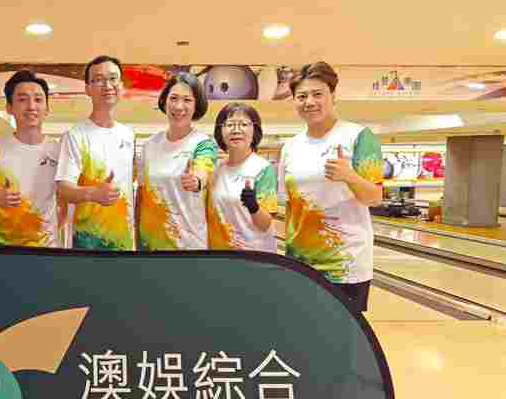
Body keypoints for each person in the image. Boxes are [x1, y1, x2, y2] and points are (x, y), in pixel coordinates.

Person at [278, 61, 384, 312]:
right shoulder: (290, 146)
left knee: (341, 333)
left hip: (345, 263)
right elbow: (290, 207)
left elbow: (375, 197)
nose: (309, 102)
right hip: (300, 262)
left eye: (318, 94)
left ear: (333, 95)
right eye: (302, 96)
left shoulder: (359, 136)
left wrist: (350, 176)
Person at [0, 70, 60, 247]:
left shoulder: (59, 151)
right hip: (1, 249)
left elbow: (65, 203)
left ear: (47, 108)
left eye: (38, 99)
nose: (31, 106)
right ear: (9, 107)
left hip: (46, 249)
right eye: (22, 99)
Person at [55, 55, 135, 250]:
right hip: (86, 244)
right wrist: (93, 193)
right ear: (88, 89)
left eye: (113, 78)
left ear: (121, 85)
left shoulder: (128, 135)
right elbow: (63, 189)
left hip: (124, 244)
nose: (107, 85)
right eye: (98, 80)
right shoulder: (75, 136)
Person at [136, 72, 217, 250]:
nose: (179, 106)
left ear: (196, 105)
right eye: (173, 98)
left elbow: (202, 172)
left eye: (187, 100)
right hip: (149, 246)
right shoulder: (149, 145)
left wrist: (196, 181)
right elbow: (141, 196)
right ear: (164, 101)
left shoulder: (203, 144)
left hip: (187, 248)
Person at [207, 103, 277, 252]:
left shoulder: (262, 168)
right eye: (230, 124)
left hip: (252, 254)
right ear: (220, 131)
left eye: (244, 124)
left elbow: (265, 224)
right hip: (219, 253)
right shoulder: (216, 169)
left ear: (254, 131)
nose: (236, 130)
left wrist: (253, 206)